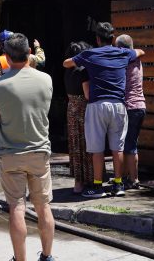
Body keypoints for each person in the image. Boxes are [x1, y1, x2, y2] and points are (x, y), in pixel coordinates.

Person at [0, 33, 55, 261]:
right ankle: (47, 256)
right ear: (29, 54)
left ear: (6, 56)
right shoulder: (46, 80)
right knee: (43, 206)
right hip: (39, 152)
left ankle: (20, 259)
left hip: (11, 154)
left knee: (16, 206)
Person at [62, 22, 144, 199]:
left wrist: (82, 60)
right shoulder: (123, 53)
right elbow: (139, 52)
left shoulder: (90, 54)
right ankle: (118, 184)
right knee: (118, 148)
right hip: (119, 105)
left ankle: (98, 187)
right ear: (113, 39)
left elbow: (66, 63)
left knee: (97, 148)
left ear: (97, 39)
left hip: (97, 105)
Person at [116, 34, 146, 189]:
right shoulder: (137, 60)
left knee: (129, 145)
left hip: (130, 107)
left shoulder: (125, 61)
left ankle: (133, 179)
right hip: (140, 106)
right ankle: (128, 176)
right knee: (131, 143)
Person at [64, 41, 94, 194]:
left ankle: (77, 181)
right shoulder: (83, 70)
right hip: (83, 109)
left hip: (71, 109)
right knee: (86, 144)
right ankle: (87, 179)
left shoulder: (68, 71)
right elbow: (87, 94)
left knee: (75, 145)